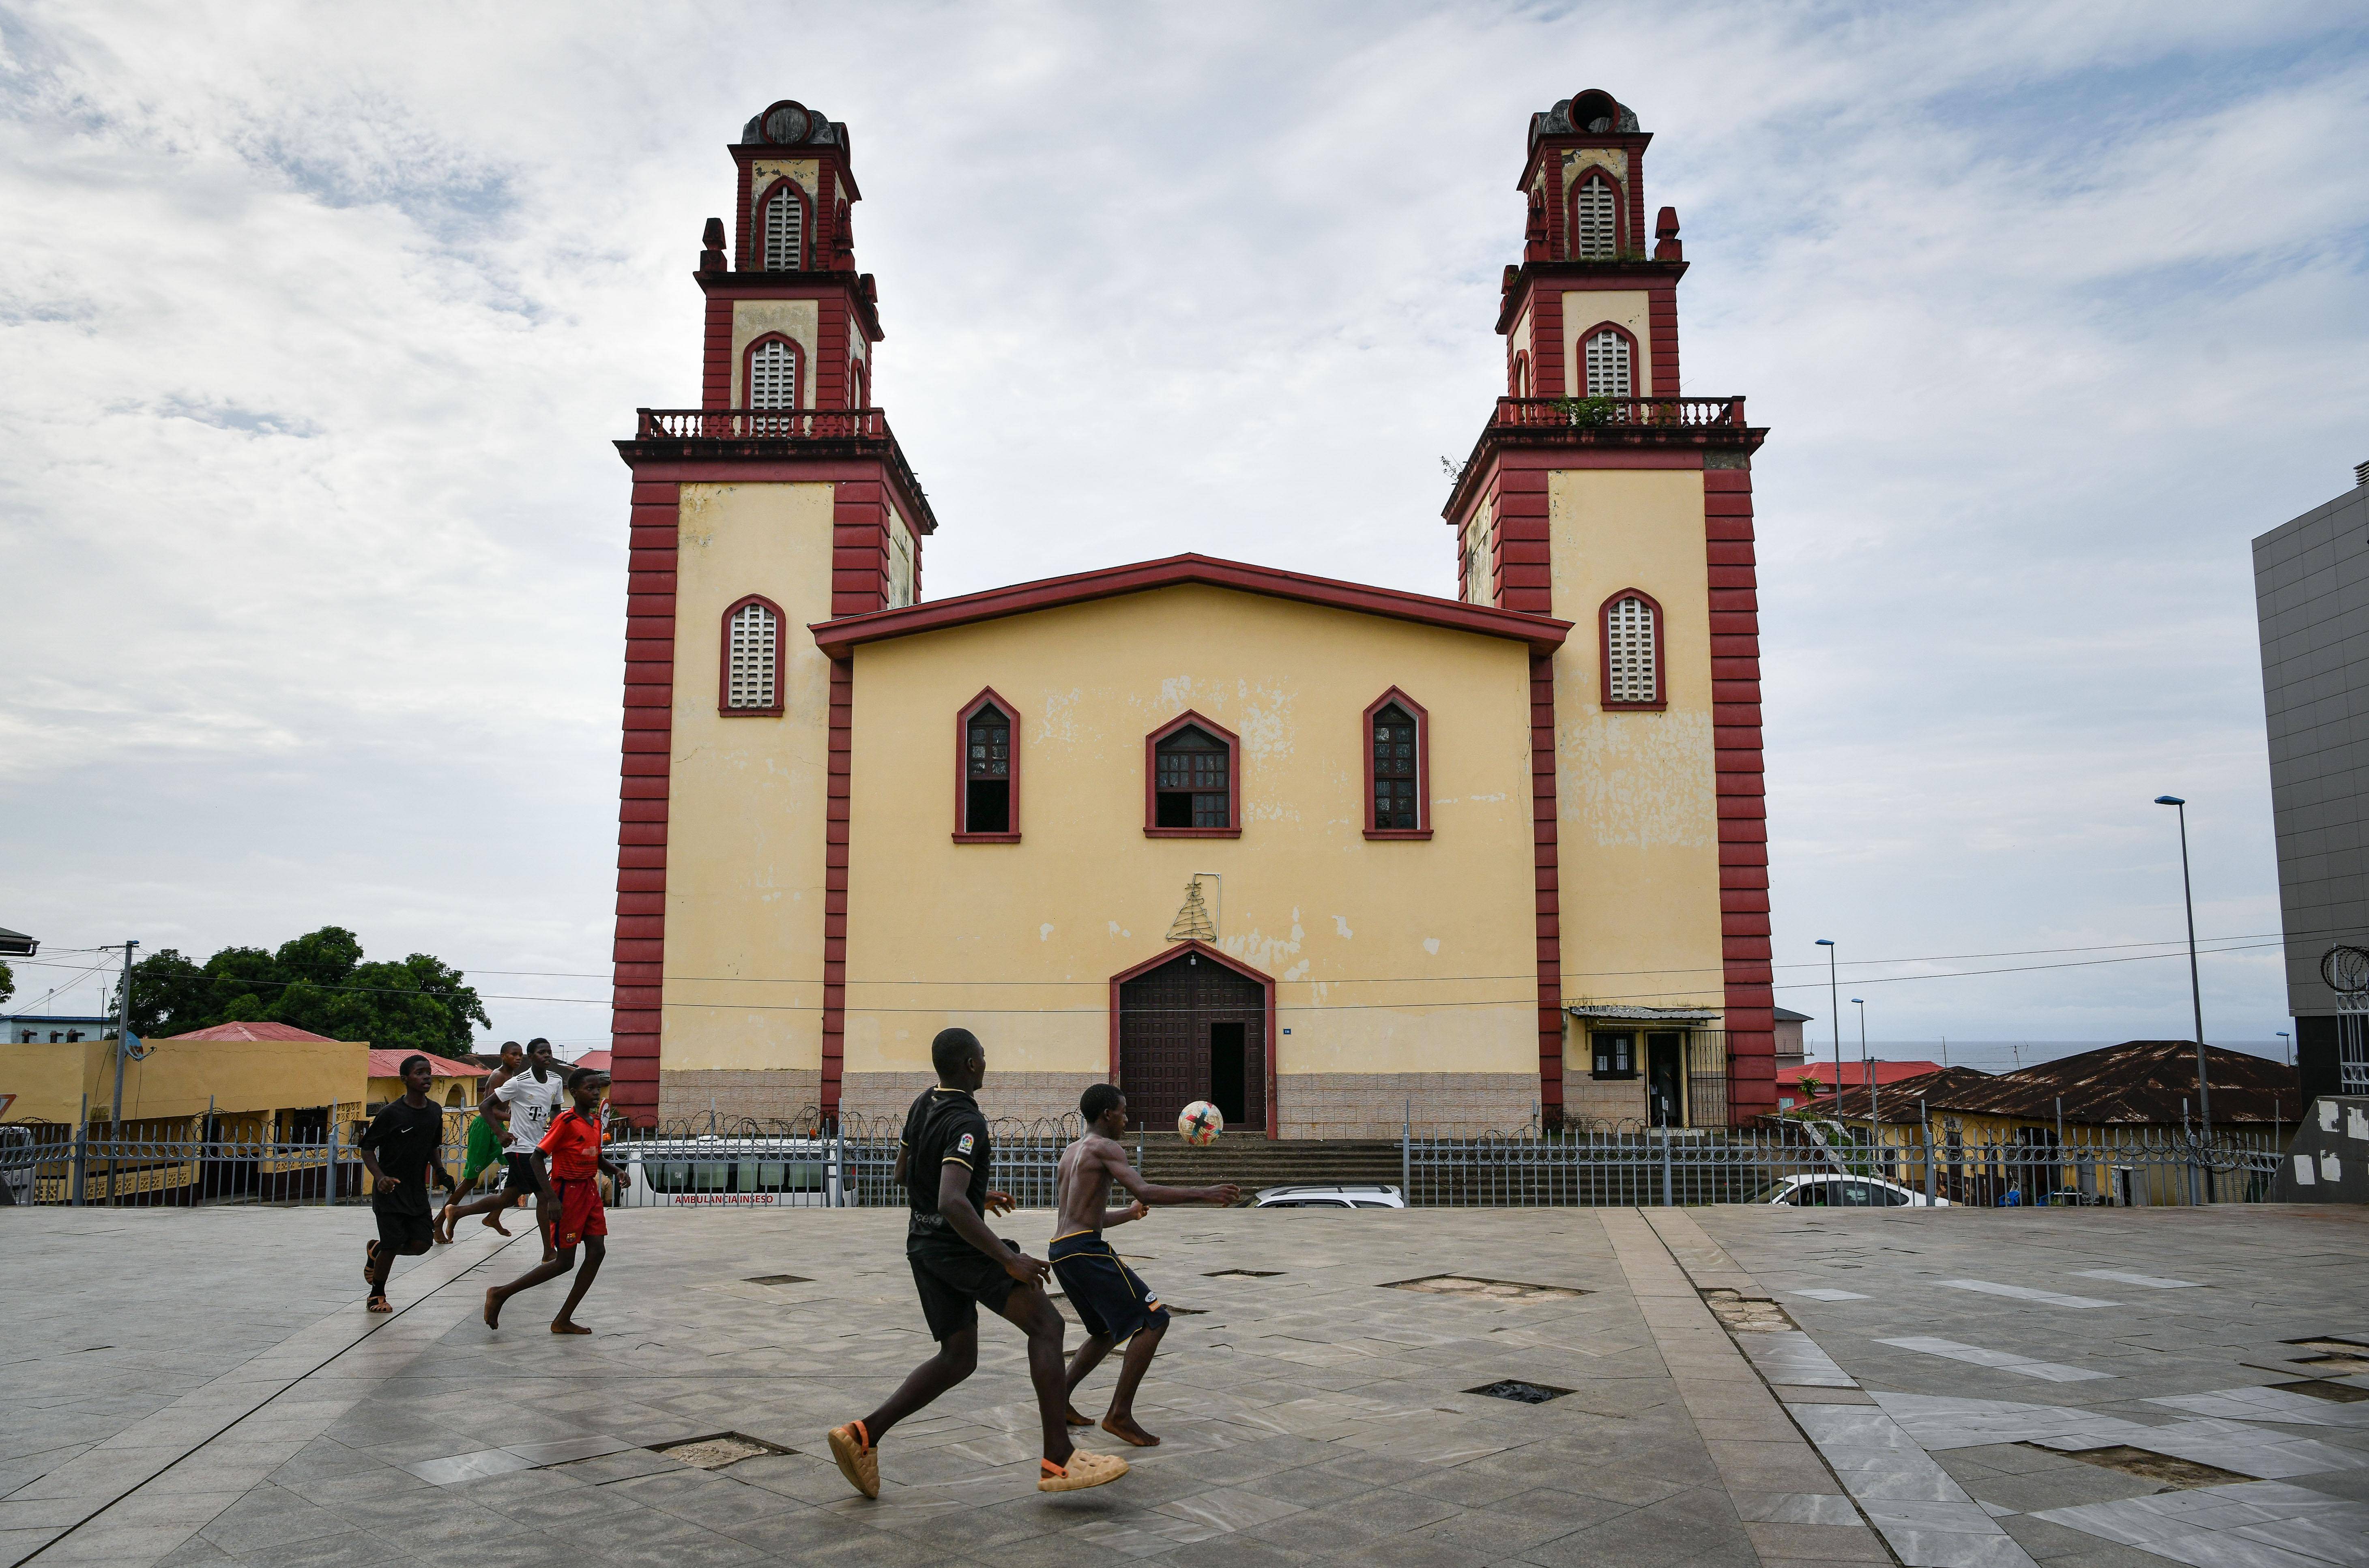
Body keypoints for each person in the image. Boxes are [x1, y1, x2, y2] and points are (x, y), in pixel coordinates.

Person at [827, 1028, 1128, 1500]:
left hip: (923, 1246)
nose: (986, 1064)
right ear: (970, 1065)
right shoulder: (968, 1121)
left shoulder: (922, 1104)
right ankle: (1059, 1457)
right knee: (1048, 1325)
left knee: (959, 1357)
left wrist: (975, 1194)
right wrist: (1010, 1259)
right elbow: (950, 1202)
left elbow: (905, 1173)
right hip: (956, 1248)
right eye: (982, 1058)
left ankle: (863, 1434)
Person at [1050, 1084, 1238, 1447]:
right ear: (1107, 1114)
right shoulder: (1107, 1147)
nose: (1126, 1118)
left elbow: (1083, 1216)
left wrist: (1129, 1215)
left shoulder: (1071, 1152)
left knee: (1104, 1331)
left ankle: (1059, 1400)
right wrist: (1205, 1193)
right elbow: (1146, 1191)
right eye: (1122, 1111)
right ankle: (1119, 1414)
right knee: (1154, 1319)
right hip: (1086, 1251)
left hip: (1062, 1249)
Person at [483, 1066, 627, 1333]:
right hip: (566, 1193)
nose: (596, 1093)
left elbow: (596, 1158)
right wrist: (551, 1198)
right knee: (564, 1261)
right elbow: (537, 1158)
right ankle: (501, 1293)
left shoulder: (595, 1122)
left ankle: (563, 1319)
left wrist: (616, 1170)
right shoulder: (566, 1121)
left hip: (589, 1192)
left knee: (597, 1251)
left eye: (598, 1088)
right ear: (573, 1092)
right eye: (590, 1088)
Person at [446, 1037, 565, 1257]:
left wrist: (558, 1128)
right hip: (519, 1149)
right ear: (532, 1057)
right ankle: (549, 1251)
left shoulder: (556, 1081)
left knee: (507, 1199)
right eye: (542, 1052)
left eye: (549, 1052)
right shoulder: (518, 1082)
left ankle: (457, 1212)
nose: (547, 1055)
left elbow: (556, 1110)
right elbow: (485, 1106)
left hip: (537, 1147)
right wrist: (500, 1133)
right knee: (544, 1196)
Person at [357, 1055, 456, 1313]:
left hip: (416, 1191)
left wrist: (441, 1172)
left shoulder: (435, 1110)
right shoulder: (391, 1113)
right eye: (420, 1073)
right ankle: (376, 1294)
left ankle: (376, 1251)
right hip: (390, 1190)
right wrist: (380, 1178)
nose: (427, 1077)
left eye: (428, 1073)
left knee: (422, 1245)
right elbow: (367, 1149)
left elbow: (433, 1145)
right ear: (405, 1079)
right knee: (393, 1243)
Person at [437, 1040, 524, 1243]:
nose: (518, 1058)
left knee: (520, 1170)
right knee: (471, 1180)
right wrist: (514, 1118)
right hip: (486, 1128)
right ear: (503, 1056)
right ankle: (439, 1221)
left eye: (521, 1055)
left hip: (499, 1129)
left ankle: (493, 1216)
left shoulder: (514, 1077)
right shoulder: (498, 1076)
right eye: (514, 1054)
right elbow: (489, 1109)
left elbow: (504, 1108)